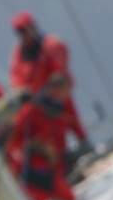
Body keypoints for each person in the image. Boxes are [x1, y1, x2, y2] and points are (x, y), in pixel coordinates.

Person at [8, 11, 85, 142]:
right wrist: (23, 92)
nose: (24, 34)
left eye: (26, 30)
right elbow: (16, 78)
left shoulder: (51, 45)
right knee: (25, 120)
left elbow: (61, 74)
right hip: (35, 103)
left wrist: (49, 92)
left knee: (65, 108)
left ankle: (83, 141)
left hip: (56, 96)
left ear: (33, 27)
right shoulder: (19, 53)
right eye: (20, 32)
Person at [7, 72, 79, 200]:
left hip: (49, 165)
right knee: (44, 199)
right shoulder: (30, 110)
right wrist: (38, 148)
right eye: (64, 91)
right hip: (28, 163)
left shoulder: (59, 113)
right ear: (52, 89)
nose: (65, 96)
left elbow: (58, 148)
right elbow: (13, 141)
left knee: (68, 196)